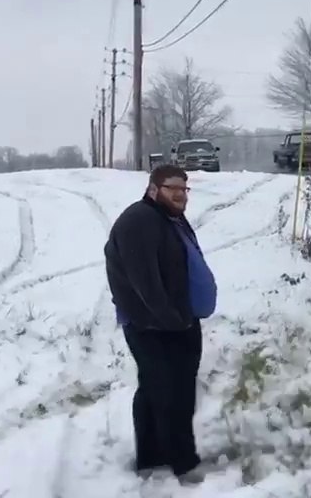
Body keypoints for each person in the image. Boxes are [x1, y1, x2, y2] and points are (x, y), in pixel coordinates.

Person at [105, 165, 217, 484]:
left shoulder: (169, 218)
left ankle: (155, 455)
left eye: (184, 189)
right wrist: (169, 318)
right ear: (154, 188)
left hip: (178, 320)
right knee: (165, 391)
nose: (180, 195)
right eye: (173, 188)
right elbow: (144, 280)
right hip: (151, 325)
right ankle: (179, 463)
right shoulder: (139, 221)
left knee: (170, 388)